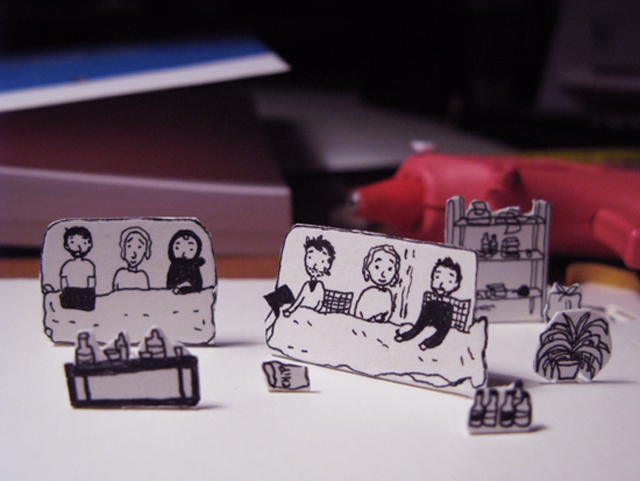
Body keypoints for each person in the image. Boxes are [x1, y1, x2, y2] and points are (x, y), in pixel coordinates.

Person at [395, 257, 462, 350]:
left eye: (449, 281)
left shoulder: (449, 307)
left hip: (442, 316)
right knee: (418, 326)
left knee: (441, 331)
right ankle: (405, 336)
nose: (441, 283)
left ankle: (428, 343)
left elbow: (444, 330)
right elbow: (419, 324)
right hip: (430, 312)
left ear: (456, 284)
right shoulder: (430, 303)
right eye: (437, 277)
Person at [282, 235, 335, 317]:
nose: (314, 265)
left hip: (313, 314)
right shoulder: (306, 285)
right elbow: (299, 300)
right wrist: (290, 310)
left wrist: (313, 314)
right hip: (303, 313)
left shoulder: (319, 286)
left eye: (321, 261)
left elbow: (320, 303)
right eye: (310, 257)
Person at [354, 244, 400, 322]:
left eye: (389, 269)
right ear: (368, 267)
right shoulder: (368, 292)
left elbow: (387, 314)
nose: (383, 274)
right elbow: (359, 313)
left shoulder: (388, 294)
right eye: (377, 267)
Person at [59, 226, 96, 311]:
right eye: (72, 242)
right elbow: (64, 283)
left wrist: (90, 295)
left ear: (89, 244)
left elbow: (91, 284)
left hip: (85, 296)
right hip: (69, 295)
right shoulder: (67, 265)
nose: (78, 247)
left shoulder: (89, 265)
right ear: (66, 245)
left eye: (84, 243)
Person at [166, 229, 205, 294]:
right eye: (177, 248)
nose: (183, 253)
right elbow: (170, 283)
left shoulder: (193, 266)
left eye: (191, 249)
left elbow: (197, 283)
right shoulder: (175, 265)